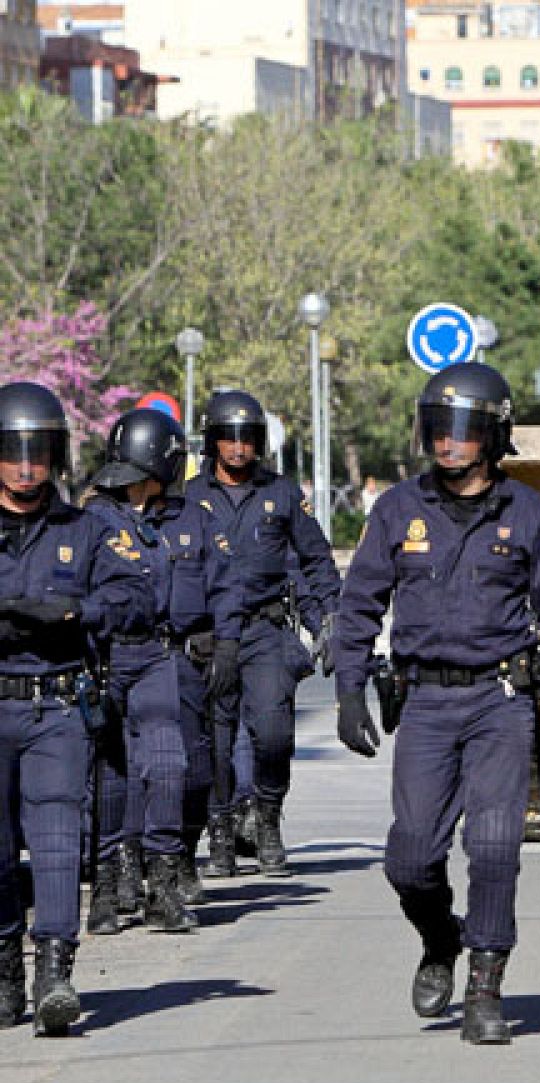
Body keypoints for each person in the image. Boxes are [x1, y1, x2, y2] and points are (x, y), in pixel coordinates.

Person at [332, 362, 540, 1045]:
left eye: (464, 432)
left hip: (500, 702)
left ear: (494, 436)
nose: (447, 444)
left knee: (496, 845)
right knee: (410, 857)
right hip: (424, 703)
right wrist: (348, 692)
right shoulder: (396, 511)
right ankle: (440, 938)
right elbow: (358, 605)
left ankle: (485, 985)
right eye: (438, 431)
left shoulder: (527, 513)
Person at [0, 382, 152, 1034]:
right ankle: (6, 962)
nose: (27, 466)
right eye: (13, 451)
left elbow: (139, 600)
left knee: (59, 838)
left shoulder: (85, 530)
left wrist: (74, 613)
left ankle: (55, 970)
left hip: (57, 706)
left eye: (39, 452)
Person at [83, 408, 241, 934]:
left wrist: (228, 646)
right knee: (111, 774)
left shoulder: (191, 518)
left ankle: (164, 880)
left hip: (162, 655)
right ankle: (108, 883)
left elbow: (224, 585)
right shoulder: (93, 521)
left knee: (169, 765)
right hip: (108, 657)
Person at [186, 390, 340, 877]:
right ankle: (222, 833)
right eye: (228, 438)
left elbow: (316, 560)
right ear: (213, 442)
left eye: (247, 438)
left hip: (264, 628)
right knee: (213, 737)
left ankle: (267, 816)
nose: (238, 448)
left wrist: (332, 623)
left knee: (272, 734)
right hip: (210, 634)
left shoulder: (282, 494)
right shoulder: (190, 497)